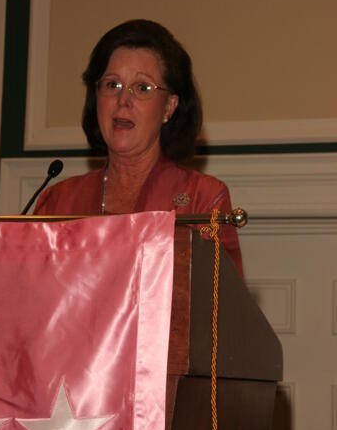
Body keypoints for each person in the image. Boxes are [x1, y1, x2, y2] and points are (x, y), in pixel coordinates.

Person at [34, 19, 243, 276]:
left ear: (169, 106)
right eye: (112, 84)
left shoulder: (203, 201)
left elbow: (218, 309)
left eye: (142, 88)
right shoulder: (58, 202)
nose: (123, 100)